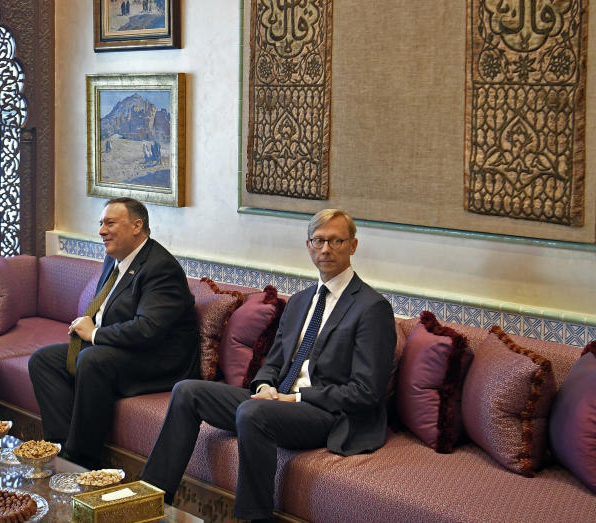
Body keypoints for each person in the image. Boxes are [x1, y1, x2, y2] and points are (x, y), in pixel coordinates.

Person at [139, 209, 396, 521]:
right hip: (279, 402)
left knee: (253, 411)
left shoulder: (372, 308)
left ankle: (255, 517)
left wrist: (297, 398)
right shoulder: (301, 301)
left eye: (336, 241)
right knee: (187, 392)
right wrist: (264, 386)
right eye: (319, 241)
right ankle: (149, 501)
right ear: (309, 245)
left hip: (329, 414)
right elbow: (272, 362)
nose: (326, 249)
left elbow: (366, 391)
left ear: (353, 246)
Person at [28, 197, 198, 469]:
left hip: (159, 360)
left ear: (137, 226)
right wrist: (89, 326)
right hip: (122, 349)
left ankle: (83, 460)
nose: (101, 231)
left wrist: (94, 335)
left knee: (92, 360)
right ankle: (61, 450)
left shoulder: (160, 268)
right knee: (43, 360)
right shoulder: (114, 258)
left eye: (110, 223)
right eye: (101, 224)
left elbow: (147, 330)